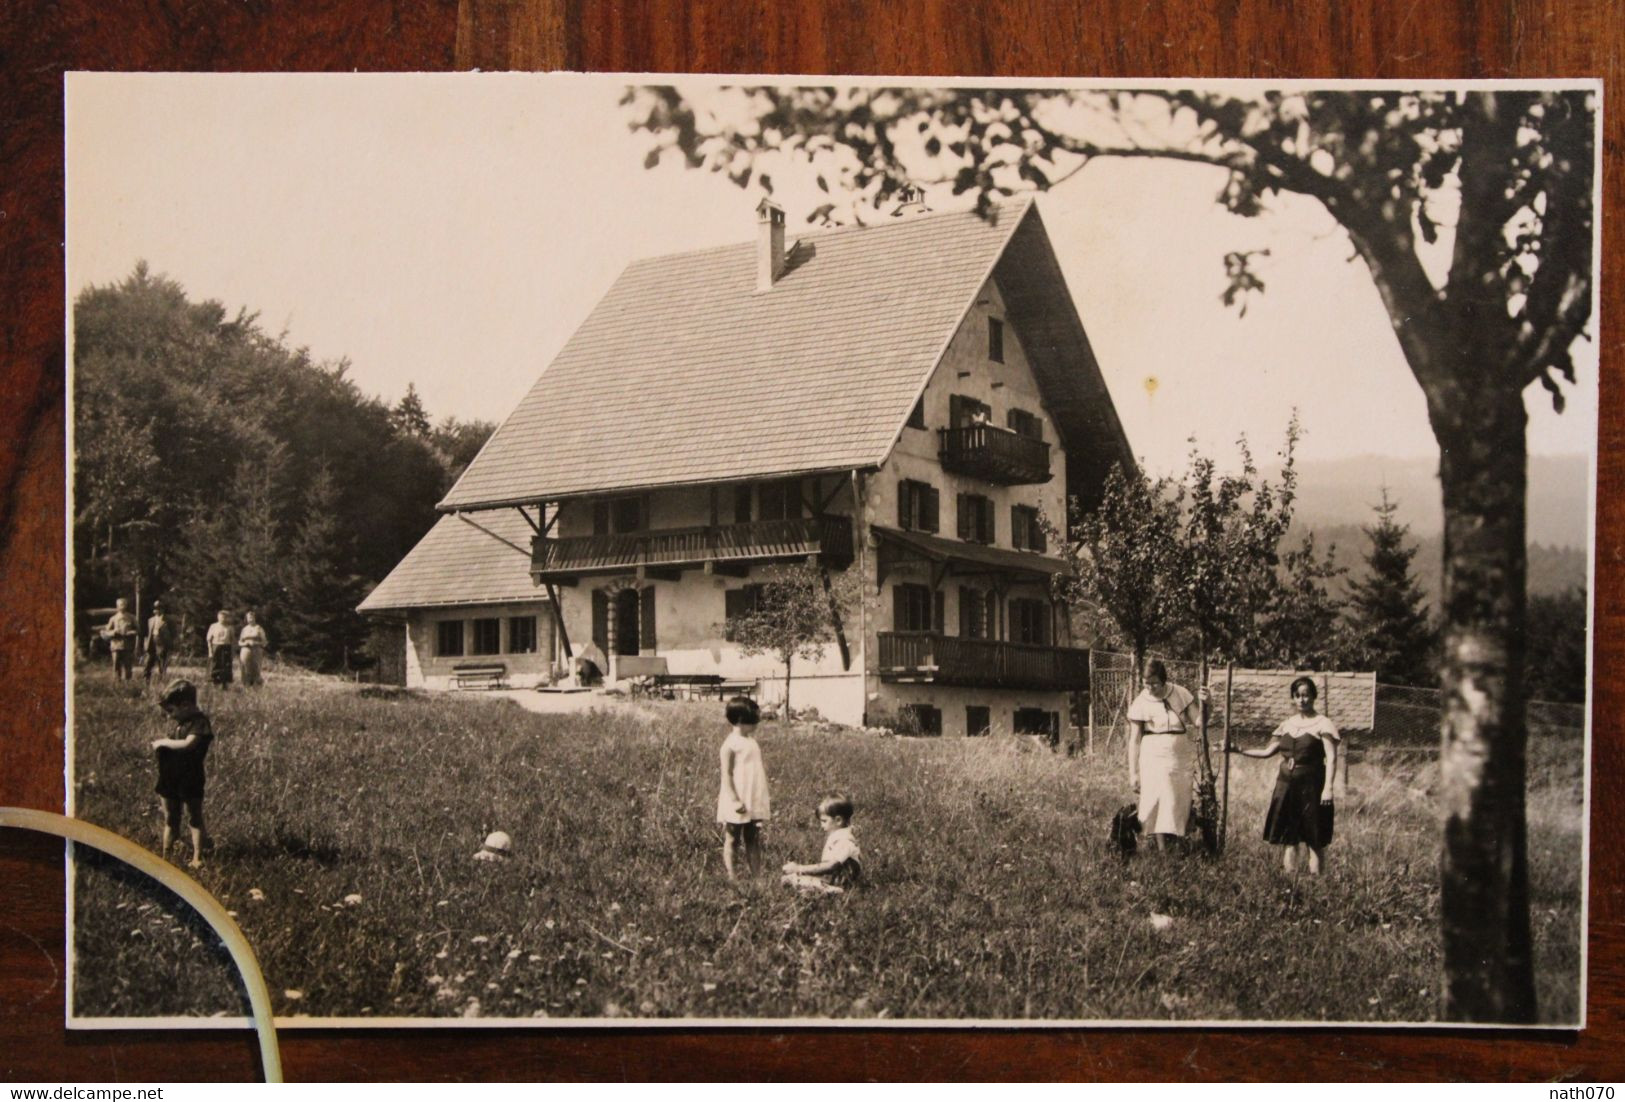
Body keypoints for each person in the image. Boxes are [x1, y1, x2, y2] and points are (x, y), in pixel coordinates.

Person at [1229, 675, 1341, 875]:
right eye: (1297, 696)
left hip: (1312, 786)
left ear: (1314, 696)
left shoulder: (1323, 723)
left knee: (1314, 838)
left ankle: (1317, 885)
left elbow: (1331, 758)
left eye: (1306, 695)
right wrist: (1237, 749)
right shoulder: (1287, 724)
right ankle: (1290, 883)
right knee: (1289, 837)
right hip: (1286, 786)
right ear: (1293, 698)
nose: (1302, 700)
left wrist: (1328, 789)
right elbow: (1266, 752)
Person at [1126, 659, 1202, 850]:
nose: (1150, 688)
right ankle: (1162, 849)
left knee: (1177, 799)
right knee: (1158, 799)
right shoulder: (1140, 702)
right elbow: (1134, 740)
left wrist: (1209, 703)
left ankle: (1178, 841)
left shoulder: (1180, 693)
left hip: (1180, 757)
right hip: (1153, 756)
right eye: (1146, 683)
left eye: (1154, 683)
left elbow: (1200, 721)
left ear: (1164, 680)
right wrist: (1133, 772)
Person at [150, 678, 214, 868]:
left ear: (186, 705)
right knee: (171, 818)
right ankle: (166, 857)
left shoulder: (200, 723)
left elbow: (188, 744)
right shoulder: (181, 722)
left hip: (190, 777)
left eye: (171, 711)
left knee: (195, 817)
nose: (169, 716)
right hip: (170, 776)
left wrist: (162, 743)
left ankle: (198, 857)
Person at [716, 695, 769, 879]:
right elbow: (727, 774)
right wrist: (735, 800)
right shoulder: (729, 745)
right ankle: (732, 877)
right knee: (732, 838)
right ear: (740, 720)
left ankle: (757, 878)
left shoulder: (752, 742)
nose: (757, 724)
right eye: (753, 720)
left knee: (753, 838)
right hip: (737, 797)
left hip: (752, 795)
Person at [781, 795, 862, 894]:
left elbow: (831, 866)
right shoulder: (838, 836)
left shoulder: (845, 840)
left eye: (824, 821)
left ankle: (830, 890)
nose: (821, 825)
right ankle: (814, 890)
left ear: (838, 820)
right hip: (831, 878)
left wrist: (799, 868)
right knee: (788, 879)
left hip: (841, 882)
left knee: (792, 880)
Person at [101, 598, 139, 680]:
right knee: (116, 665)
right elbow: (105, 632)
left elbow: (138, 630)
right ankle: (117, 683)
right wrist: (113, 632)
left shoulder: (132, 617)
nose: (122, 606)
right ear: (117, 606)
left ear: (126, 606)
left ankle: (128, 684)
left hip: (127, 646)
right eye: (120, 605)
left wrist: (132, 632)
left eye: (124, 604)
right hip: (115, 645)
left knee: (128, 666)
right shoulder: (113, 618)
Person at [142, 599, 175, 684]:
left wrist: (168, 643)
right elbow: (147, 633)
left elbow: (173, 633)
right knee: (148, 663)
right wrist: (146, 644)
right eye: (155, 608)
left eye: (159, 608)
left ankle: (161, 682)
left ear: (163, 609)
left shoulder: (168, 620)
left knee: (162, 664)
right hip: (151, 643)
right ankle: (146, 681)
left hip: (162, 644)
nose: (157, 610)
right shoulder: (150, 620)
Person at [238, 611, 269, 687]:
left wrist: (256, 643)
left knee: (255, 667)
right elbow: (239, 641)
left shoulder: (259, 628)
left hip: (256, 650)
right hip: (245, 650)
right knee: (245, 667)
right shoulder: (244, 629)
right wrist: (244, 644)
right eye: (248, 617)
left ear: (255, 618)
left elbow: (265, 642)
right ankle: (246, 685)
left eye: (252, 617)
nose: (250, 619)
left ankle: (256, 685)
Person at [205, 610, 234, 688]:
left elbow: (232, 641)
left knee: (225, 666)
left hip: (226, 647)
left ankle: (224, 684)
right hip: (216, 647)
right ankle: (215, 683)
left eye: (225, 617)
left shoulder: (230, 627)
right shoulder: (213, 626)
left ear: (227, 618)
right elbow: (209, 639)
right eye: (221, 617)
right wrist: (210, 651)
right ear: (218, 617)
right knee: (215, 665)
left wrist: (232, 652)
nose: (223, 619)